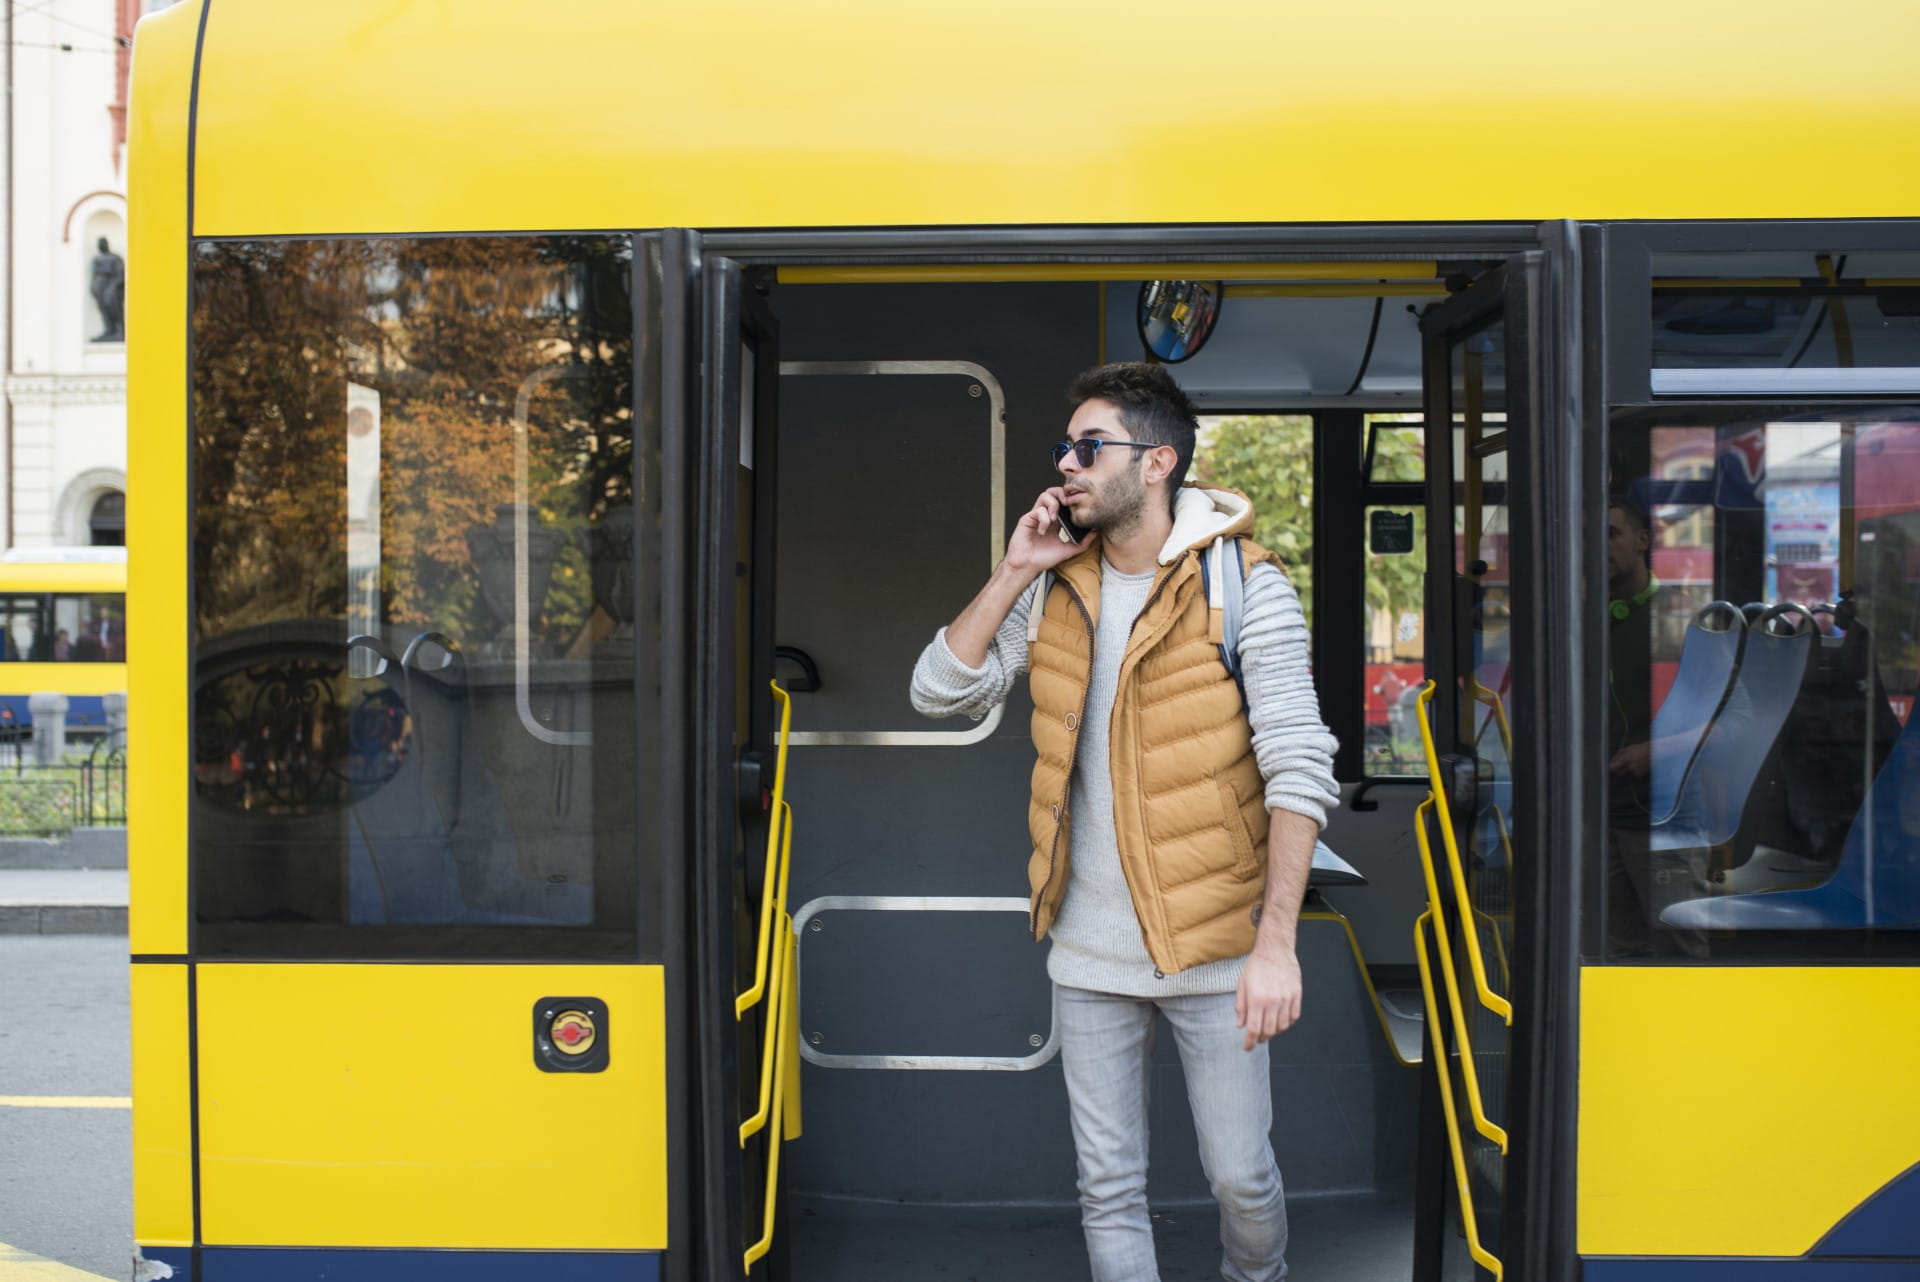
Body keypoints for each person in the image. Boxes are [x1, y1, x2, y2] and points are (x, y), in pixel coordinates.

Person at [910, 362, 1338, 1282]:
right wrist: (1018, 566)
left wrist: (1276, 948)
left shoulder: (1243, 585)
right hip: (1088, 952)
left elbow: (1299, 764)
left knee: (1241, 1179)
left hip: (1217, 948)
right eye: (1065, 446)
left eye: (1088, 446)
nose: (1066, 462)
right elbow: (936, 692)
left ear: (1156, 463)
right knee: (1106, 1184)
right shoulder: (1057, 586)